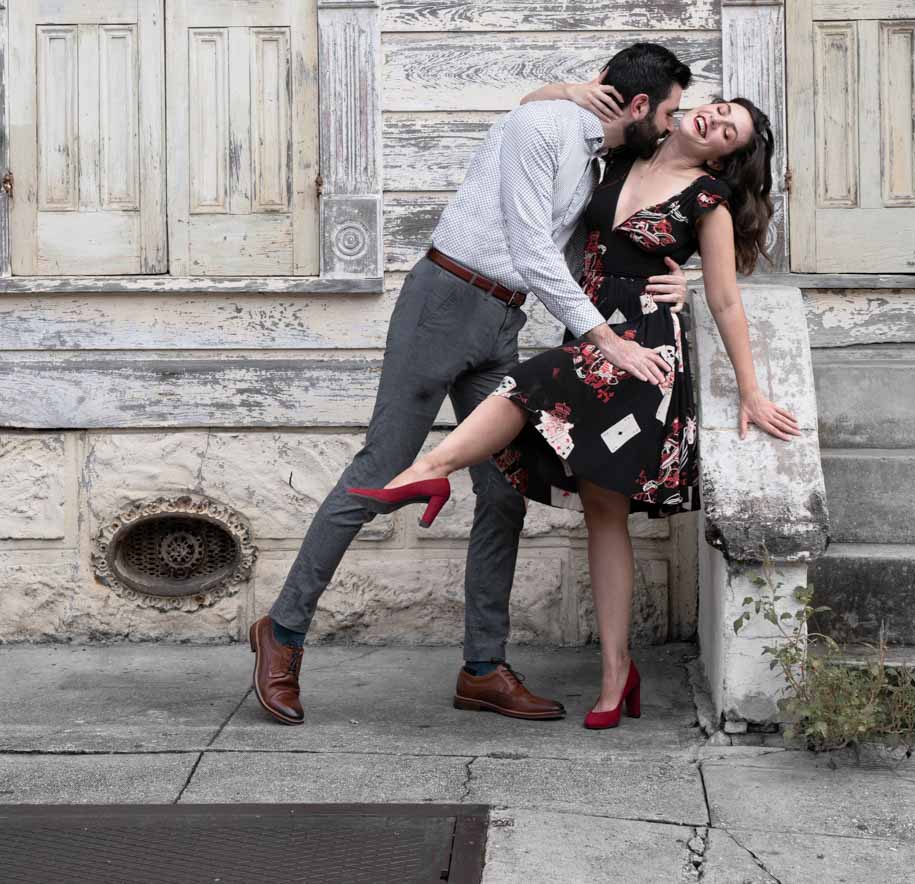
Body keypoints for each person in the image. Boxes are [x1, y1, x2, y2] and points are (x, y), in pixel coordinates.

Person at [249, 41, 693, 727]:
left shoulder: (595, 157)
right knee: (383, 468)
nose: (670, 127)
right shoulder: (540, 126)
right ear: (637, 106)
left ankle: (482, 669)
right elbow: (531, 247)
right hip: (445, 301)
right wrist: (605, 342)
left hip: (501, 320)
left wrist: (676, 285)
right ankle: (282, 631)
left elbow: (594, 253)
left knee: (502, 490)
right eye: (667, 114)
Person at [351, 94, 800, 729]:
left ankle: (429, 470)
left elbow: (727, 300)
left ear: (725, 157)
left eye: (730, 132)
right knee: (602, 512)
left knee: (527, 383)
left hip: (642, 355)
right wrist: (571, 87)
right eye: (720, 109)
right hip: (590, 333)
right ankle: (619, 671)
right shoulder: (618, 157)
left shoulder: (709, 202)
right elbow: (533, 126)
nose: (717, 121)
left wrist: (748, 388)